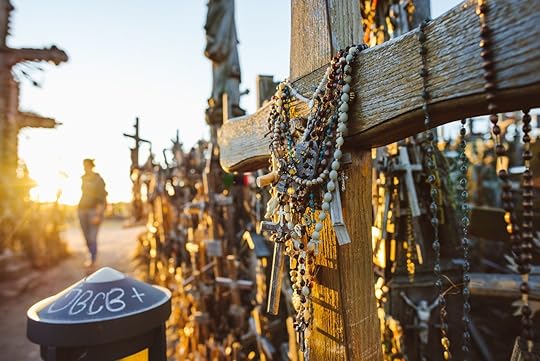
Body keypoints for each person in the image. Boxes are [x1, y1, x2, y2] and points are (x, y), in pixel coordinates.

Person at [78, 159, 107, 267]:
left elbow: (101, 197)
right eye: (83, 165)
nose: (85, 167)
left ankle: (93, 259)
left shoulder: (98, 179)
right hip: (82, 209)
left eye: (86, 165)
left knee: (92, 237)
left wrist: (98, 214)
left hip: (94, 211)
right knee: (86, 236)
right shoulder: (83, 178)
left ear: (91, 166)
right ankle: (90, 255)